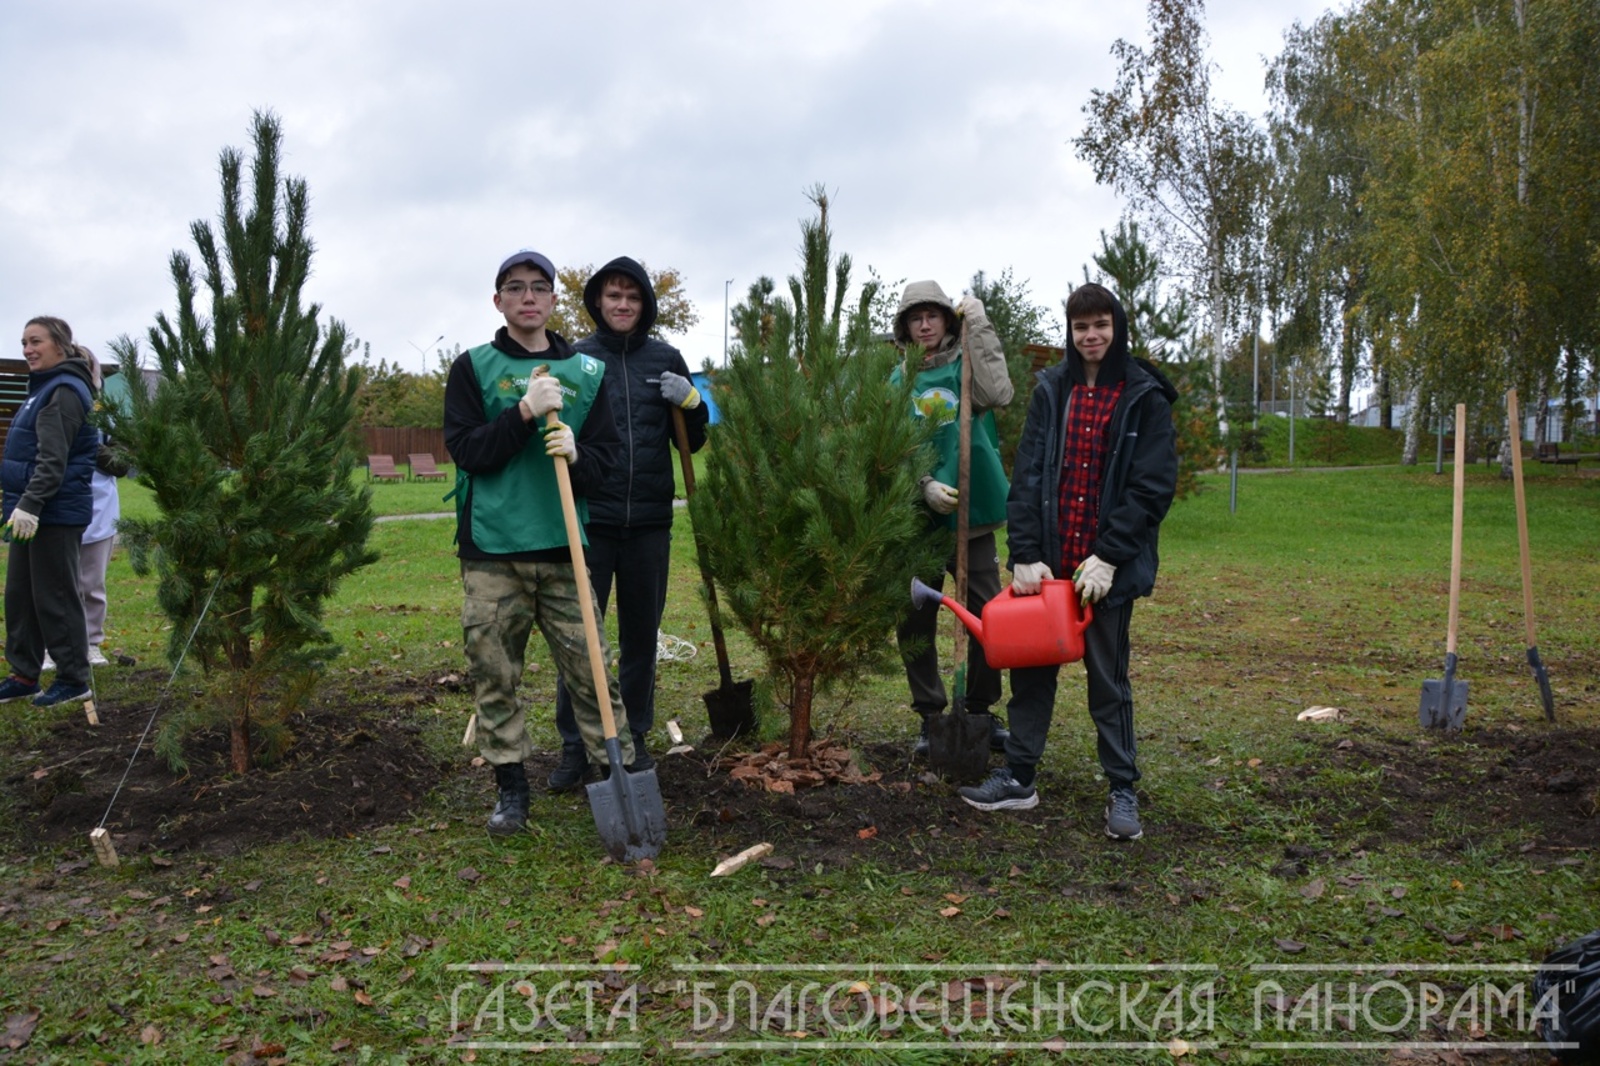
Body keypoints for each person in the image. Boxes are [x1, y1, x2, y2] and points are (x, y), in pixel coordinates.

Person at [958, 283, 1177, 842]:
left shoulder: (1143, 395)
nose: (1091, 336)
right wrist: (1025, 554)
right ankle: (1020, 778)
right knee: (1031, 674)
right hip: (1051, 569)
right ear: (1070, 332)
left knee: (1109, 681)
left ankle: (1122, 788)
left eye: (1100, 325)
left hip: (1106, 571)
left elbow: (1151, 488)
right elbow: (1027, 473)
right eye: (1081, 328)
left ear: (1116, 325)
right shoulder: (1053, 390)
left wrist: (1109, 556)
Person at [443, 249, 631, 836]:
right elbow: (469, 452)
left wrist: (578, 454)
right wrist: (523, 411)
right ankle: (511, 788)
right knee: (494, 671)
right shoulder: (472, 368)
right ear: (498, 301)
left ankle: (614, 775)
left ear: (553, 300)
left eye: (539, 287)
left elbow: (606, 461)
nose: (528, 297)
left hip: (563, 548)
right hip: (494, 550)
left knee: (594, 667)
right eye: (515, 287)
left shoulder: (586, 374)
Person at [547, 257, 709, 792]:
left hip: (649, 523)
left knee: (641, 637)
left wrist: (693, 405)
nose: (622, 305)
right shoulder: (576, 359)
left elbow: (693, 439)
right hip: (590, 519)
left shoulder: (665, 358)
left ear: (645, 306)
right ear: (598, 301)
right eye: (613, 296)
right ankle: (576, 744)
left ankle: (635, 733)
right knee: (582, 638)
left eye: (632, 297)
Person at [890, 281, 1013, 756]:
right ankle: (930, 714)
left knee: (987, 614)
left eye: (933, 316)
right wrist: (922, 483)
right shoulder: (898, 382)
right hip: (919, 522)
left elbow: (999, 392)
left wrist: (978, 323)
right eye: (915, 317)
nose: (924, 324)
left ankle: (981, 710)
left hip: (973, 515)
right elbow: (888, 449)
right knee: (915, 619)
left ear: (948, 321)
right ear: (905, 327)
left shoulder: (967, 369)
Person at [0, 316, 101, 707]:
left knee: (55, 597)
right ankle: (24, 675)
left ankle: (74, 678)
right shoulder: (40, 390)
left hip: (53, 513)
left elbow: (52, 461)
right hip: (30, 510)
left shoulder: (63, 391)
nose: (27, 349)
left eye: (36, 341)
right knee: (21, 596)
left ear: (60, 344)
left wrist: (30, 503)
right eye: (24, 342)